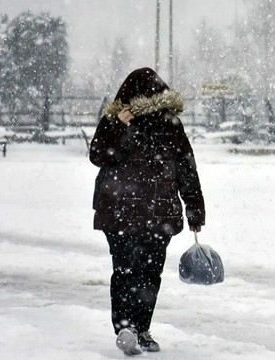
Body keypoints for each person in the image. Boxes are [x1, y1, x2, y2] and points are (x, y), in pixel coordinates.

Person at [89, 67, 205, 355]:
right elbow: (98, 155)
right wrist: (194, 207)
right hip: (137, 212)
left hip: (132, 211)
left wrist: (194, 208)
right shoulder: (119, 121)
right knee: (145, 273)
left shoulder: (168, 124)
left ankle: (134, 327)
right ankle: (134, 328)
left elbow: (184, 167)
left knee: (132, 271)